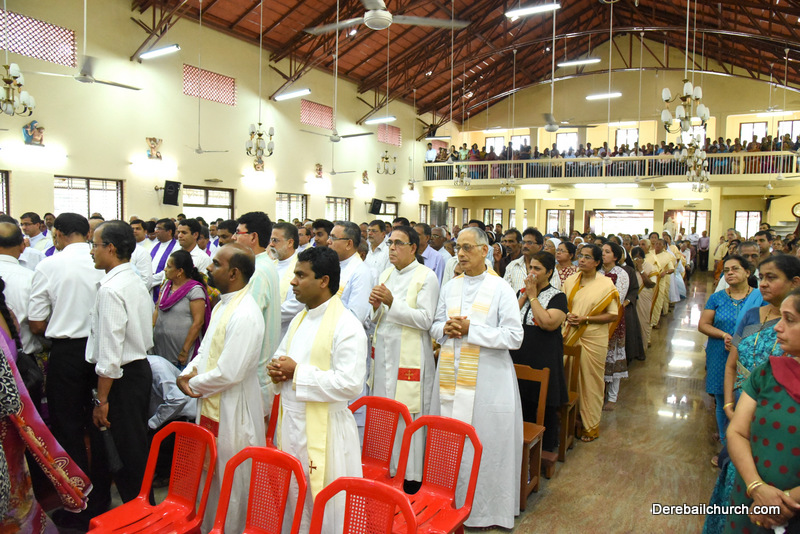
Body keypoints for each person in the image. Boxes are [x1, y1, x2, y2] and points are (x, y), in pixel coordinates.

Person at [430, 227, 523, 528]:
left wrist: (473, 330)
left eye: (468, 248)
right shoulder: (450, 286)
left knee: (486, 443)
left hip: (488, 382)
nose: (460, 253)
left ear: (485, 251)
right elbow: (435, 325)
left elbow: (514, 336)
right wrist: (444, 329)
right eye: (458, 247)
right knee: (450, 440)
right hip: (451, 376)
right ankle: (449, 503)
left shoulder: (501, 289)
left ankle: (487, 511)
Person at [268, 247, 366, 532]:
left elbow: (350, 383)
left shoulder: (347, 325)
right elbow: (282, 356)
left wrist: (296, 372)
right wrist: (276, 369)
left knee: (327, 507)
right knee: (295, 498)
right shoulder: (300, 318)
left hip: (327, 431)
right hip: (292, 425)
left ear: (324, 281)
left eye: (301, 275)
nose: (293, 281)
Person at [705, 254, 800, 533]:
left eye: (772, 277)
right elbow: (732, 362)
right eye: (763, 277)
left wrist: (783, 500)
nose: (764, 283)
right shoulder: (752, 317)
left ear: (794, 282)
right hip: (742, 404)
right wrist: (728, 405)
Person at [178, 244, 266, 533]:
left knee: (232, 477)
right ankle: (209, 525)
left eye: (216, 263)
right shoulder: (222, 305)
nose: (209, 267)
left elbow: (230, 372)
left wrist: (192, 383)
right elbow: (205, 352)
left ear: (233, 273)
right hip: (211, 400)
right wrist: (188, 372)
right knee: (211, 474)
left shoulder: (246, 314)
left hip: (233, 408)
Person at [28, 213, 105, 527]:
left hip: (67, 351)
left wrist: (58, 326)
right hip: (101, 351)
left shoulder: (49, 265)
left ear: (57, 233)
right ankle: (102, 498)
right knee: (100, 423)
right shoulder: (103, 262)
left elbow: (36, 322)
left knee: (68, 426)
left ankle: (78, 503)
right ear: (87, 233)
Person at [0, 279, 92, 532]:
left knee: (11, 484)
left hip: (6, 415)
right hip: (14, 412)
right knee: (17, 479)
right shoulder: (7, 315)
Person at [86, 221, 154, 518]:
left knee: (126, 452)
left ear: (110, 248)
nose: (92, 252)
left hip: (121, 379)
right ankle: (136, 508)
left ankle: (141, 515)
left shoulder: (112, 289)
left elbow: (111, 353)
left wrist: (102, 399)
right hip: (137, 371)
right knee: (127, 447)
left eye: (95, 245)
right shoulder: (133, 279)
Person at [369, 226, 439, 485]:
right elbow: (378, 317)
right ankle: (385, 469)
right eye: (390, 243)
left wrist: (391, 302)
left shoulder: (426, 276)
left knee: (406, 413)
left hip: (410, 357)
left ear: (413, 248)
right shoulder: (386, 273)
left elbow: (426, 320)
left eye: (398, 243)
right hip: (384, 355)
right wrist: (376, 306)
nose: (392, 248)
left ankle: (410, 476)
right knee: (385, 412)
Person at [509, 251, 568, 466]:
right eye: (530, 268)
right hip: (519, 353)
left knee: (543, 401)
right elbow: (509, 319)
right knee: (519, 398)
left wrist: (533, 297)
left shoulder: (557, 296)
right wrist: (525, 295)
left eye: (537, 269)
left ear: (549, 272)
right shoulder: (521, 292)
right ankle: (518, 443)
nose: (531, 273)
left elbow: (547, 323)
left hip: (544, 355)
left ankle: (544, 448)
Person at [698, 255, 753, 466]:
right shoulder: (717, 298)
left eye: (735, 269)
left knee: (747, 398)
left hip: (749, 355)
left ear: (747, 272)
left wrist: (742, 343)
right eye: (726, 270)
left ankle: (744, 445)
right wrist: (724, 335)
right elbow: (703, 324)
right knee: (723, 399)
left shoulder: (759, 298)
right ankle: (726, 448)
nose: (729, 273)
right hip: (720, 352)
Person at [562, 244, 620, 442]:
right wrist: (568, 316)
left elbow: (613, 315)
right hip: (570, 334)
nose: (582, 259)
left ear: (597, 262)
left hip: (593, 338)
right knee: (568, 377)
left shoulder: (605, 284)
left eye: (587, 257)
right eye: (581, 255)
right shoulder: (571, 280)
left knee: (591, 381)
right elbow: (564, 306)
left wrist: (585, 319)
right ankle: (571, 420)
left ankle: (590, 425)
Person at [234, 212, 282, 414]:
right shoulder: (262, 265)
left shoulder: (258, 271)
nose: (234, 238)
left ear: (253, 237)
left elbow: (247, 324)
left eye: (238, 233)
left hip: (255, 373)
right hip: (257, 371)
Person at [153, 249, 211, 368]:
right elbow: (157, 309)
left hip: (180, 354)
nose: (165, 269)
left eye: (169, 267)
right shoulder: (166, 285)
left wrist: (184, 351)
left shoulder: (194, 290)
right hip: (160, 348)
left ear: (180, 271)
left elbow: (198, 323)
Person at [600, 242, 629, 410]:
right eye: (602, 251)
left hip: (613, 319)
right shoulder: (597, 272)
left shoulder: (621, 274)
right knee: (600, 357)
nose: (603, 254)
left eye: (607, 252)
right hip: (596, 317)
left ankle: (612, 396)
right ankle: (599, 393)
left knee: (614, 356)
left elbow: (618, 298)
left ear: (615, 256)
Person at [269, 222, 304, 338]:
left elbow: (298, 303)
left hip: (287, 330)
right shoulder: (271, 265)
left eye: (275, 240)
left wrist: (267, 315)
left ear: (290, 242)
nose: (271, 244)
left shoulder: (301, 266)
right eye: (271, 240)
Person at [631, 246, 657, 348]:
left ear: (643, 258)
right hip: (632, 298)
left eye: (639, 258)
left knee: (643, 321)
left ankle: (643, 346)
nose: (637, 260)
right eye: (635, 258)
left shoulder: (650, 267)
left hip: (644, 296)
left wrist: (641, 270)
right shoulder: (630, 267)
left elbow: (651, 284)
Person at [150, 218, 179, 301]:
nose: (156, 231)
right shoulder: (154, 245)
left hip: (162, 285)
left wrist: (149, 280)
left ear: (169, 231)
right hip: (150, 285)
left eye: (159, 228)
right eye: (156, 228)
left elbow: (168, 270)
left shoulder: (177, 247)